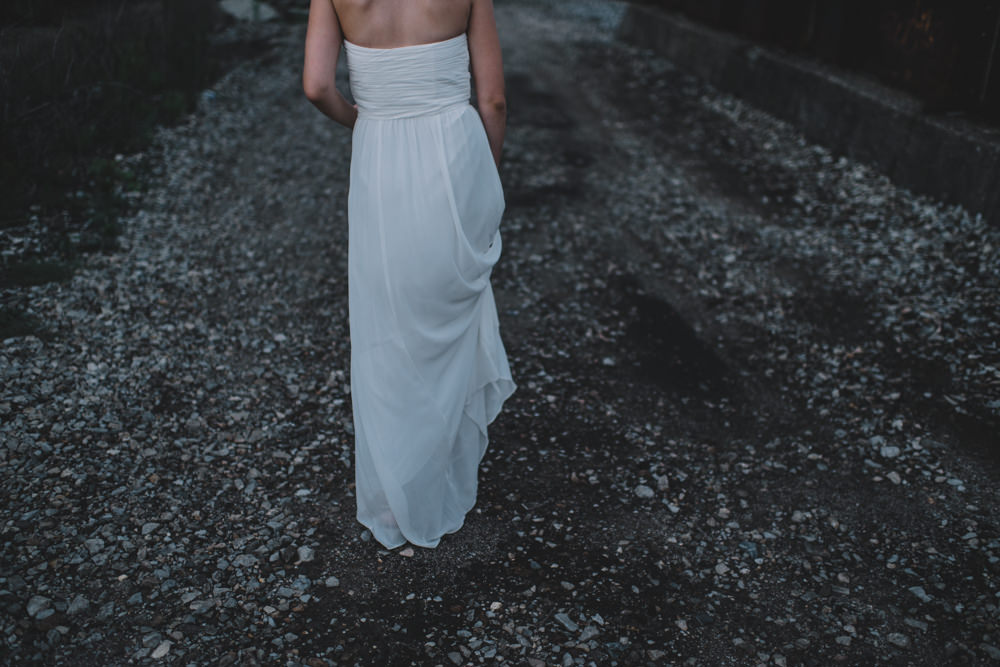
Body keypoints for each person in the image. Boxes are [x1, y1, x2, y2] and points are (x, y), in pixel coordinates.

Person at [302, 0, 516, 549]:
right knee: (443, 318)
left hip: (379, 150)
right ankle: (436, 473)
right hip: (454, 156)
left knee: (385, 325)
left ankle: (393, 500)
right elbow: (492, 99)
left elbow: (316, 87)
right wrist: (487, 184)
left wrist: (367, 118)